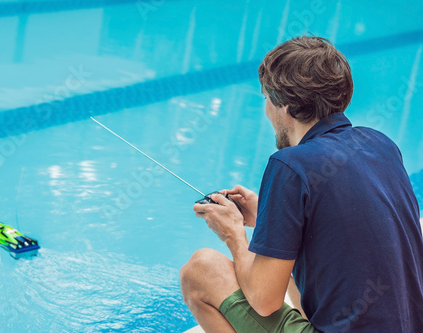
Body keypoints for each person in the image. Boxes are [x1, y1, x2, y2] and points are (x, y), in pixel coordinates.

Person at [180, 36, 423, 333]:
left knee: (200, 270)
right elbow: (347, 228)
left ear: (285, 107)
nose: (266, 109)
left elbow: (264, 300)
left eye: (266, 98)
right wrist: (267, 217)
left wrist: (233, 234)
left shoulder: (290, 164)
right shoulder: (380, 144)